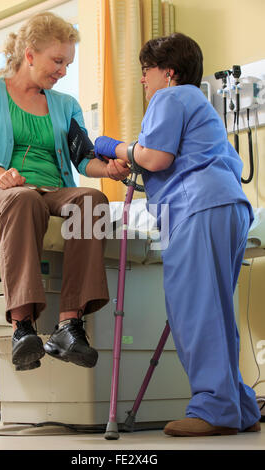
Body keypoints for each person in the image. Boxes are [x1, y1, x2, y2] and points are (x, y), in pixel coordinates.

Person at [94, 33, 261, 436]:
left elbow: (155, 157)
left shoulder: (169, 98)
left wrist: (112, 146)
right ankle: (240, 406)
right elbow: (166, 159)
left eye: (145, 71)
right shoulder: (198, 104)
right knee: (217, 311)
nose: (142, 81)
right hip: (228, 206)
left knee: (194, 312)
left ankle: (214, 410)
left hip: (196, 208)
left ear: (167, 72)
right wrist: (130, 158)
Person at [0, 11, 130, 372]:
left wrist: (110, 169)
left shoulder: (64, 104)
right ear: (29, 54)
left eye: (68, 63)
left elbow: (82, 157)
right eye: (58, 61)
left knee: (92, 201)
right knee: (23, 200)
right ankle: (22, 327)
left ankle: (69, 326)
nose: (63, 71)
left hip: (53, 188)